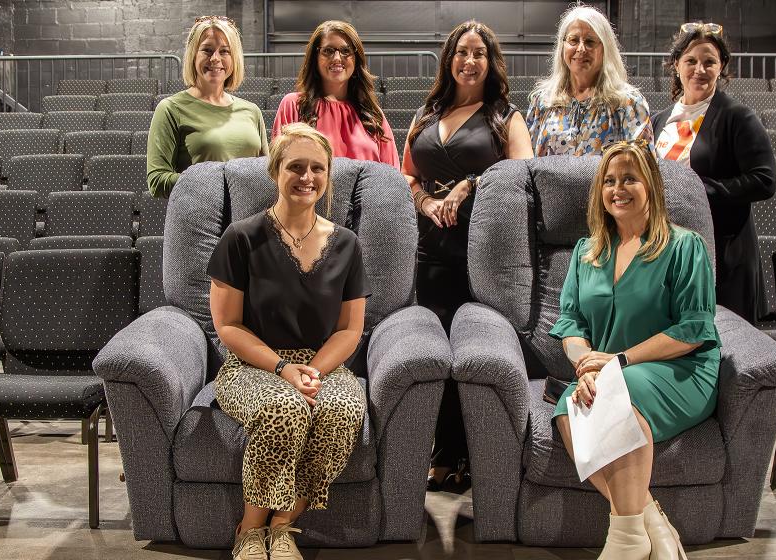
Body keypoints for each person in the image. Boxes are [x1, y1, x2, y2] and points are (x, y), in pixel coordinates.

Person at [550, 141, 720, 560]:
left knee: (617, 393)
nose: (617, 188)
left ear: (652, 187)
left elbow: (694, 329)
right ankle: (648, 521)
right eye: (609, 180)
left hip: (681, 369)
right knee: (567, 405)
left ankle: (625, 540)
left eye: (629, 178)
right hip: (610, 371)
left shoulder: (684, 246)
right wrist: (586, 365)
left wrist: (618, 360)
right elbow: (571, 323)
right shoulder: (586, 252)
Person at [207, 123, 369, 560]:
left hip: (323, 363)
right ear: (276, 171)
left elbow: (349, 329)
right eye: (295, 167)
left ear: (328, 176)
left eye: (318, 168)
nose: (307, 177)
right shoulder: (241, 238)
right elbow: (228, 326)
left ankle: (282, 526)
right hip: (253, 365)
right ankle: (249, 529)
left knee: (343, 409)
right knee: (285, 406)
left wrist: (314, 370)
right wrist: (282, 370)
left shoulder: (347, 244)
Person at [401, 20, 533, 490]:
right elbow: (408, 175)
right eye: (462, 52)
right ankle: (441, 450)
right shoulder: (426, 112)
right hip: (430, 248)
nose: (470, 61)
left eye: (479, 52)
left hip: (484, 251)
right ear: (449, 60)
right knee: (436, 351)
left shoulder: (505, 116)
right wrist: (426, 202)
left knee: (476, 353)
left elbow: (522, 178)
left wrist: (471, 183)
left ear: (490, 61)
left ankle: (478, 455)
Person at [651, 23, 776, 324]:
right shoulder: (658, 121)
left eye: (709, 61)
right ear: (676, 64)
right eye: (691, 61)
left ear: (721, 67)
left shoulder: (738, 117)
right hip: (668, 251)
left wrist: (699, 191)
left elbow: (764, 180)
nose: (700, 69)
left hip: (724, 253)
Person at [147, 16, 268, 198]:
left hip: (248, 217)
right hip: (200, 218)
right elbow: (157, 181)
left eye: (225, 51)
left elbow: (266, 173)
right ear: (193, 56)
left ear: (234, 58)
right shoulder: (171, 109)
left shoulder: (252, 111)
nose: (215, 58)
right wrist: (218, 182)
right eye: (207, 50)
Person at [526, 5, 652, 156]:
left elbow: (643, 166)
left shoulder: (629, 102)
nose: (581, 49)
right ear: (562, 46)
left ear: (605, 48)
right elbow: (528, 162)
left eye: (590, 42)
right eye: (573, 40)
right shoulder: (542, 101)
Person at [271, 20, 399, 168]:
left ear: (356, 59)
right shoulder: (293, 105)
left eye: (346, 51)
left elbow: (392, 173)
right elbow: (279, 168)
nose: (337, 58)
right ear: (315, 57)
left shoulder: (373, 113)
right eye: (328, 51)